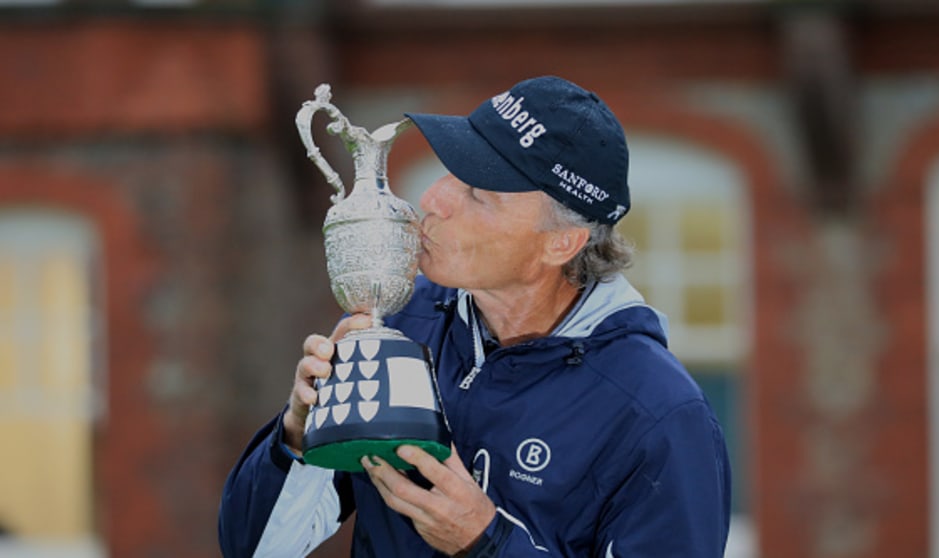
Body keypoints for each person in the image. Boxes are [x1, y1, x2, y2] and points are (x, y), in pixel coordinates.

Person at [218, 75, 731, 557]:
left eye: (478, 194)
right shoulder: (402, 322)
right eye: (452, 172)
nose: (432, 200)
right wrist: (297, 436)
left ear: (560, 243)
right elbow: (257, 547)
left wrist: (484, 542)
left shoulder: (661, 415)